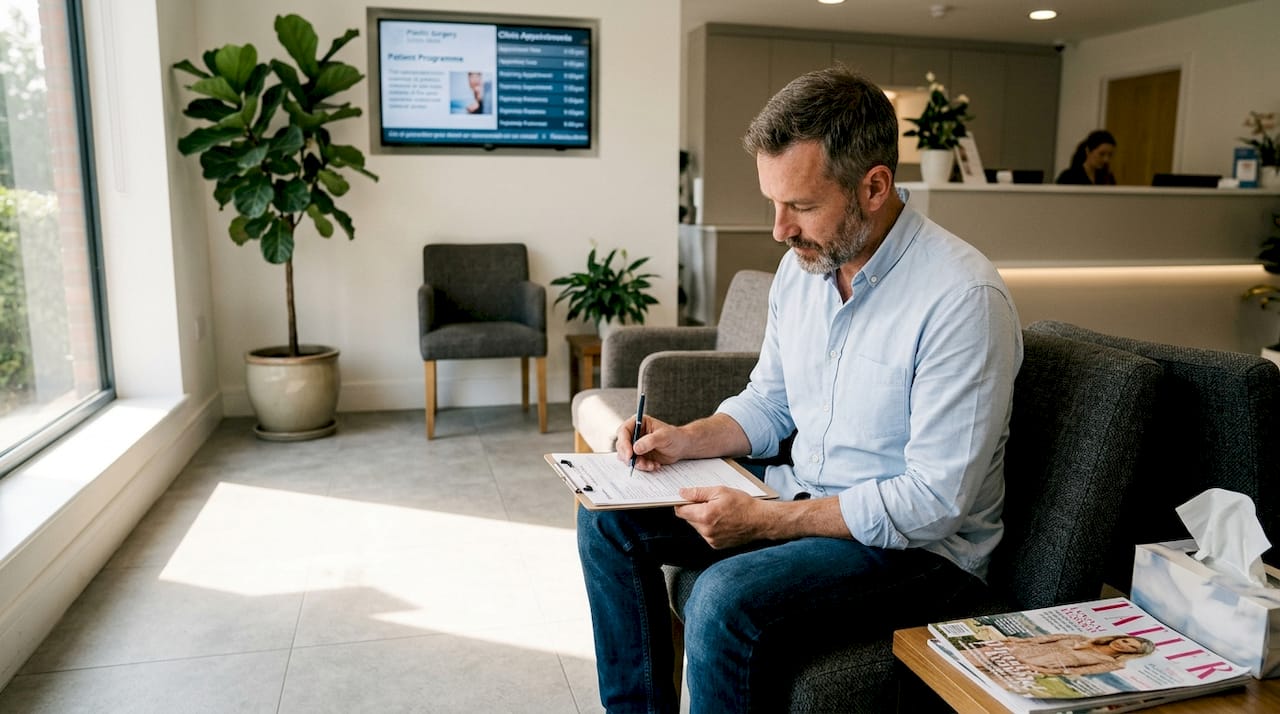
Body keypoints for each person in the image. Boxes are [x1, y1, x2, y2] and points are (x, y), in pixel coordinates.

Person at [576, 65, 1023, 713]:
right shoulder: (802, 270)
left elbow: (935, 501)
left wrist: (768, 520)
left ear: (875, 187)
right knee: (608, 525)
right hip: (807, 496)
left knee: (724, 597)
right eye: (773, 204)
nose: (780, 230)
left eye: (803, 207)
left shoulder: (961, 297)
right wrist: (684, 439)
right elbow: (771, 402)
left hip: (919, 555)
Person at [964, 634, 1157, 681]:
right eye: (1125, 640)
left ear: (1134, 653)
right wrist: (1011, 641)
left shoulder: (1113, 664)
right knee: (958, 664)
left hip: (1029, 669)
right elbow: (1041, 639)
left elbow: (1076, 673)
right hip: (1012, 652)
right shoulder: (1081, 639)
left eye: (1130, 646)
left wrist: (1041, 671)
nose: (1123, 644)